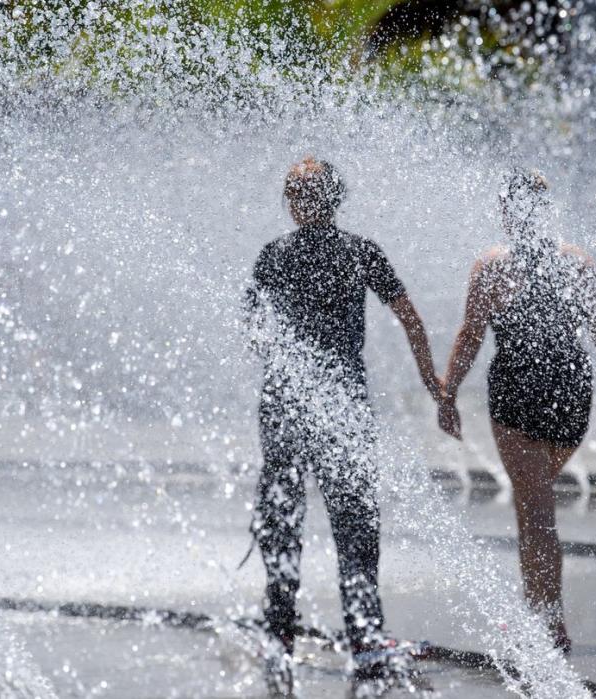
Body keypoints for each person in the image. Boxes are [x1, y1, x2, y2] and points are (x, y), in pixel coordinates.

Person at [244, 158, 444, 690]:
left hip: (286, 404)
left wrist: (287, 362)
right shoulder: (359, 251)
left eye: (298, 192)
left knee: (283, 517)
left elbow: (254, 333)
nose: (296, 200)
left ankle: (280, 631)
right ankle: (364, 636)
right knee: (353, 525)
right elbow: (410, 318)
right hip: (341, 407)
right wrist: (432, 383)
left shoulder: (275, 256)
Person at [436, 169, 596, 653]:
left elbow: (471, 334)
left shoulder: (493, 266)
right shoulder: (578, 263)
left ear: (507, 212)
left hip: (518, 397)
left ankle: (551, 624)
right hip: (571, 394)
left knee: (537, 511)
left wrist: (448, 392)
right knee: (533, 506)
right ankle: (535, 613)